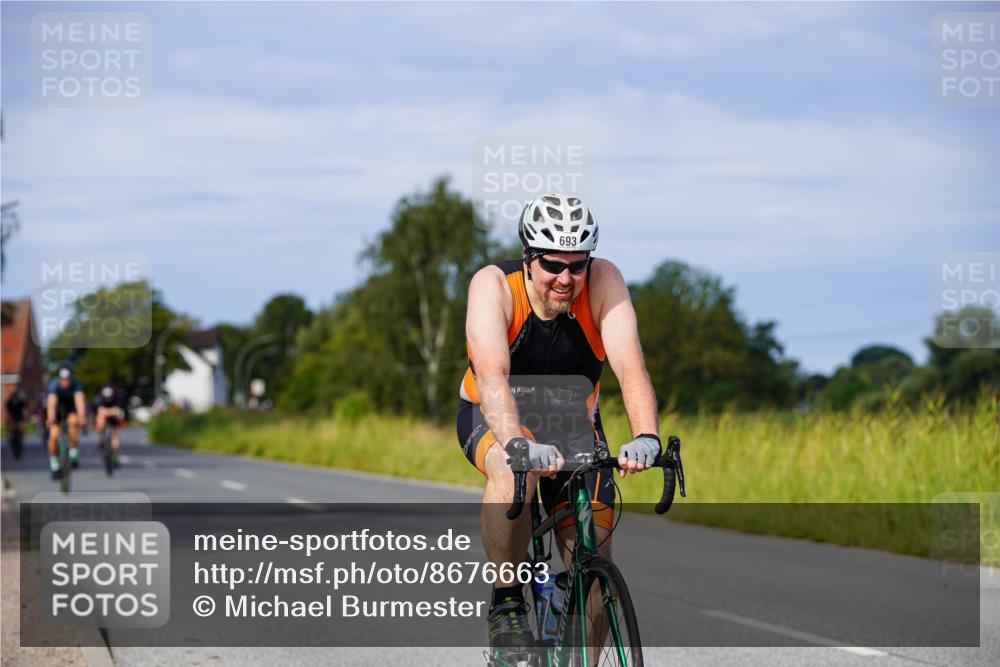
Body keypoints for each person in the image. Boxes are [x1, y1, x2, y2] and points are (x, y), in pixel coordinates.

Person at [456, 194, 662, 656]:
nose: (566, 279)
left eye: (577, 265)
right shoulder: (494, 285)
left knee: (593, 568)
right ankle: (507, 601)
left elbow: (630, 367)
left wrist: (646, 434)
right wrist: (516, 443)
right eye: (553, 265)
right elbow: (491, 374)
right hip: (494, 412)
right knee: (514, 471)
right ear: (529, 258)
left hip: (571, 422)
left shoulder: (604, 280)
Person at [46, 366, 86, 478]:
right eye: (62, 379)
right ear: (59, 379)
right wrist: (51, 418)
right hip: (57, 411)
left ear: (71, 378)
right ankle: (54, 464)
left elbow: (79, 402)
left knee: (73, 423)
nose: (65, 382)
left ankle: (73, 453)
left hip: (71, 409)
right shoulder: (54, 385)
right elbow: (51, 404)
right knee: (53, 436)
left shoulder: (76, 385)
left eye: (67, 379)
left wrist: (82, 417)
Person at [95, 384, 124, 467]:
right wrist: (110, 412)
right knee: (100, 420)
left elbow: (118, 411)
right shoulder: (100, 398)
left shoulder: (117, 397)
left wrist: (109, 412)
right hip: (105, 415)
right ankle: (101, 437)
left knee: (115, 434)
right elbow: (100, 411)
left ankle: (115, 456)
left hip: (113, 417)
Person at [5, 389, 28, 457]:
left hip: (19, 417)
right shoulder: (10, 401)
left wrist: (25, 418)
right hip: (13, 417)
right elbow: (7, 411)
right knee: (12, 431)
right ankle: (11, 438)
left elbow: (24, 409)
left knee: (21, 429)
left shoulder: (21, 401)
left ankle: (21, 439)